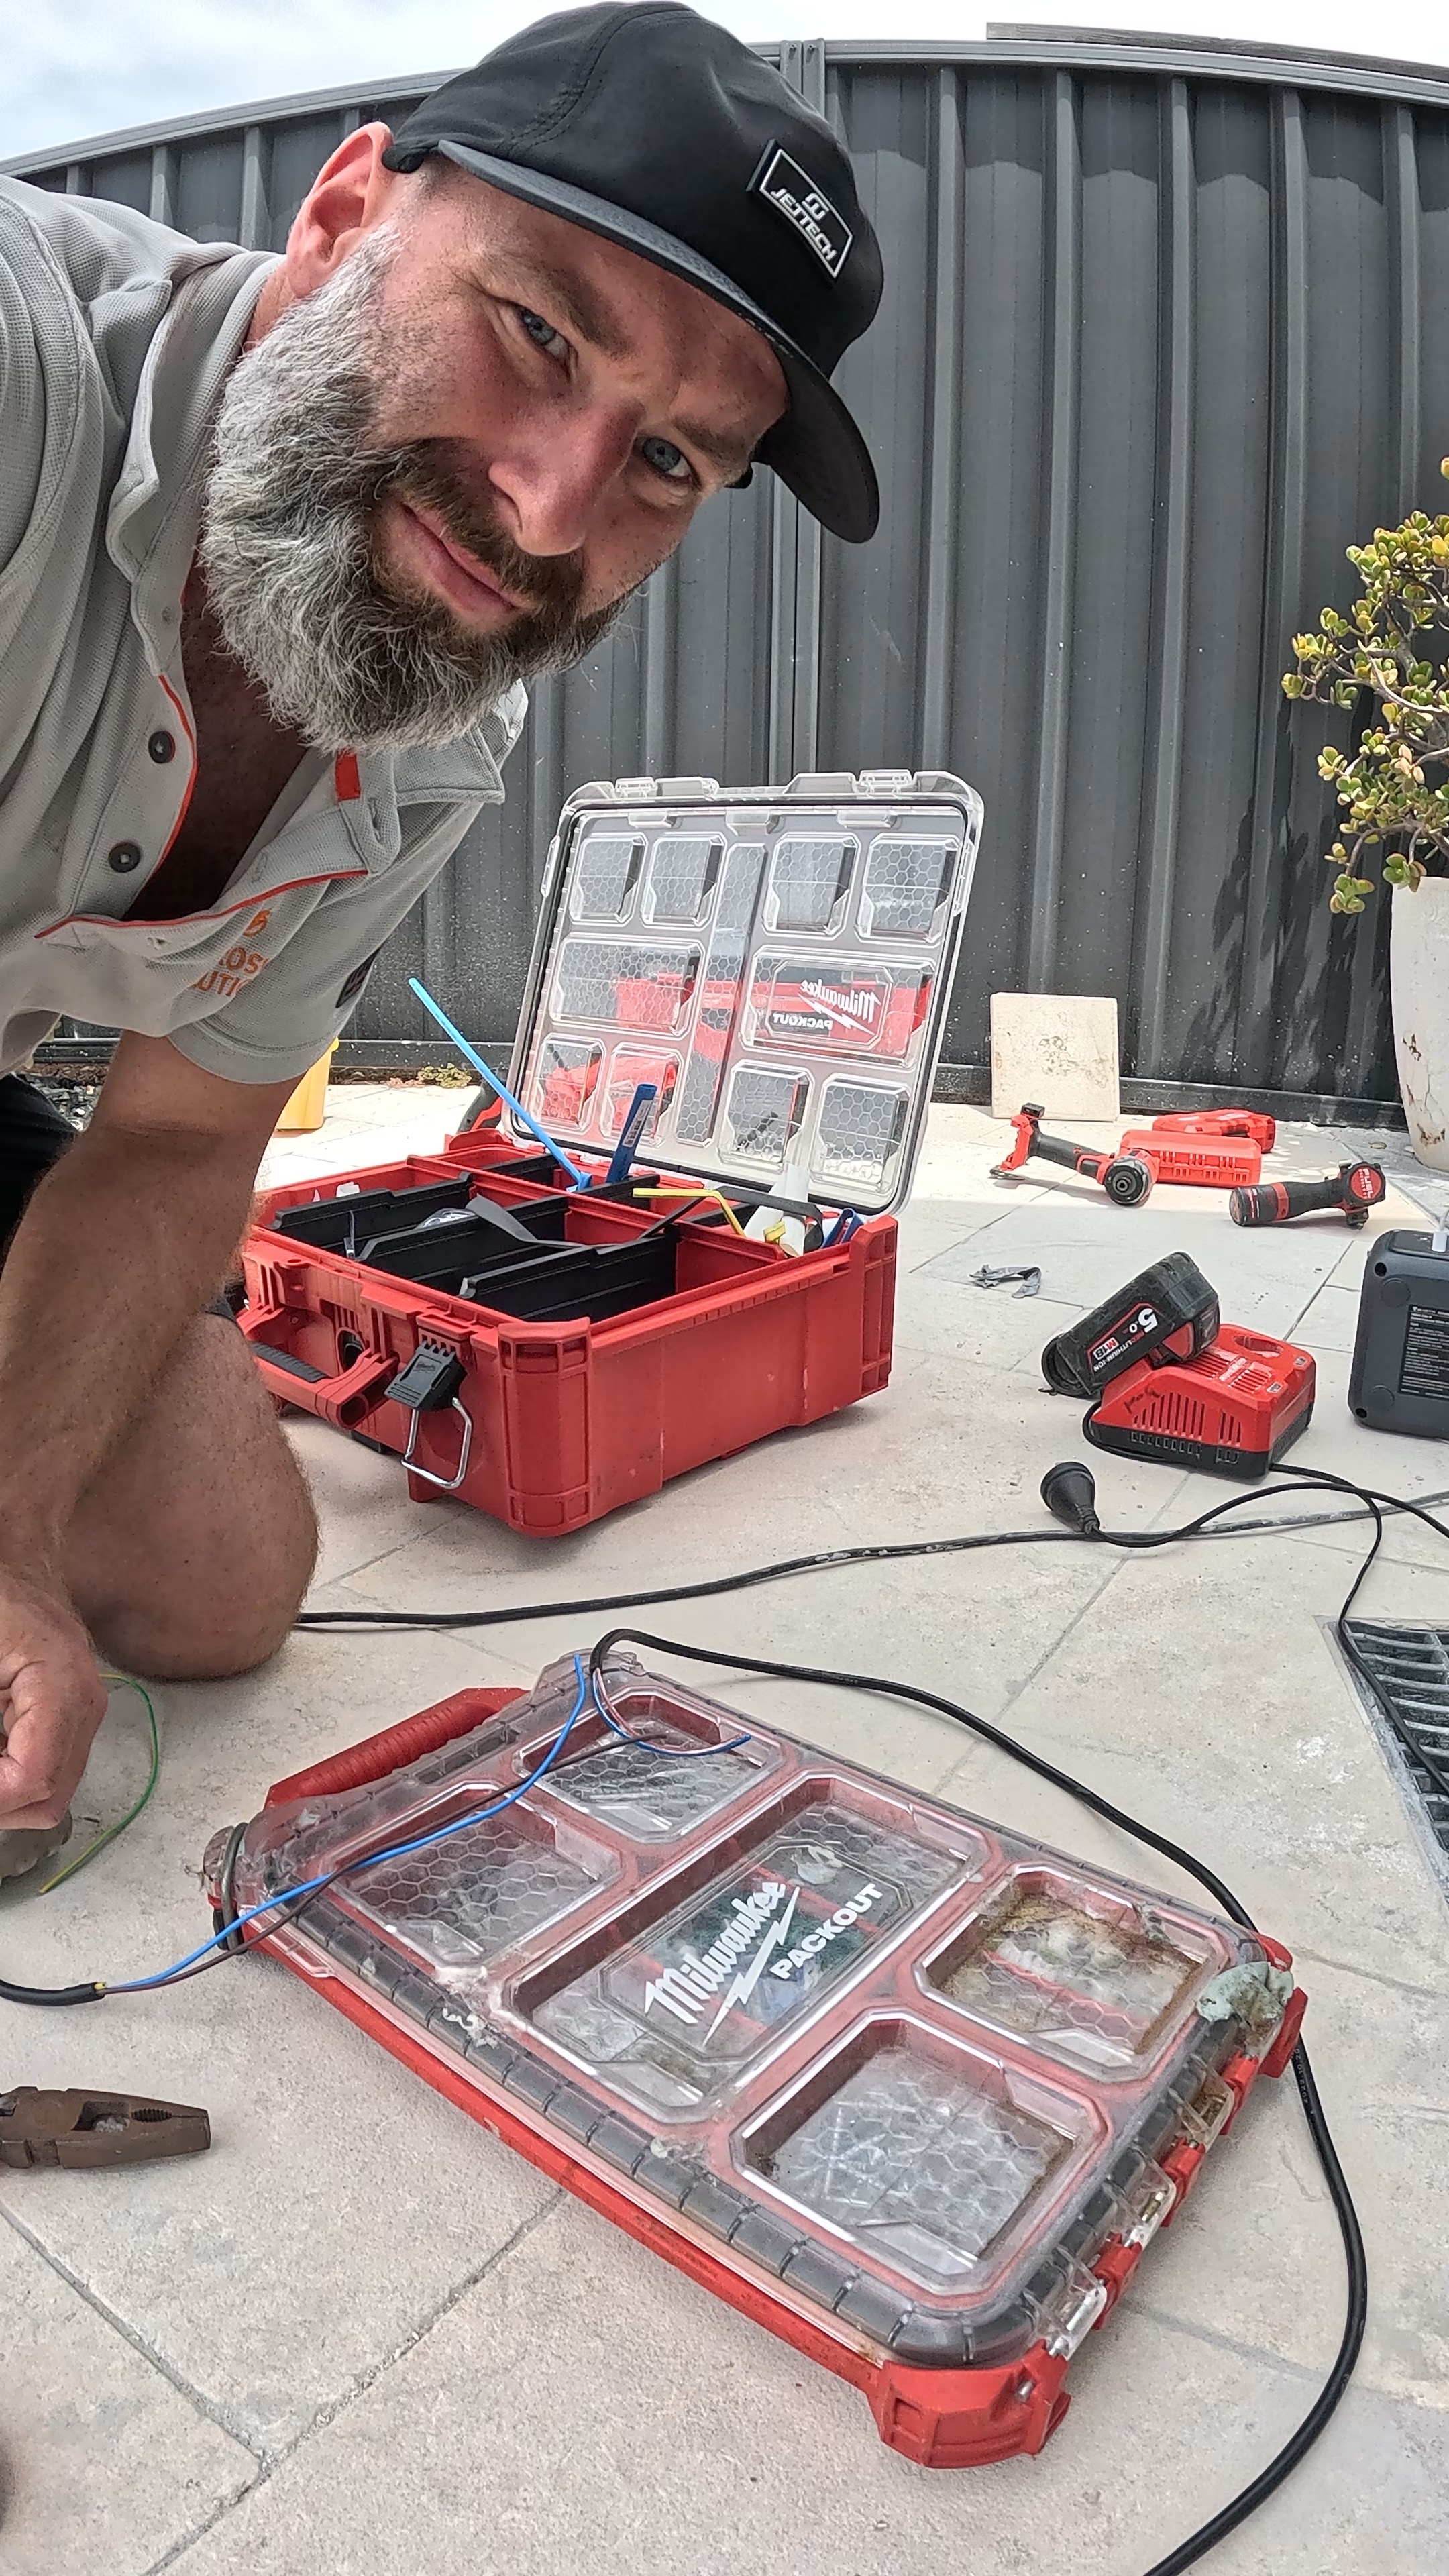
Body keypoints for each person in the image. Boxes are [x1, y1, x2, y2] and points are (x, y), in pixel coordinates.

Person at [0, 3, 883, 1878]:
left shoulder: (437, 728)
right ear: (343, 215)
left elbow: (172, 1139)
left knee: (221, 1578)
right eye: (539, 332)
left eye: (667, 463)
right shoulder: (21, 369)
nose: (555, 501)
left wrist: (9, 1546)